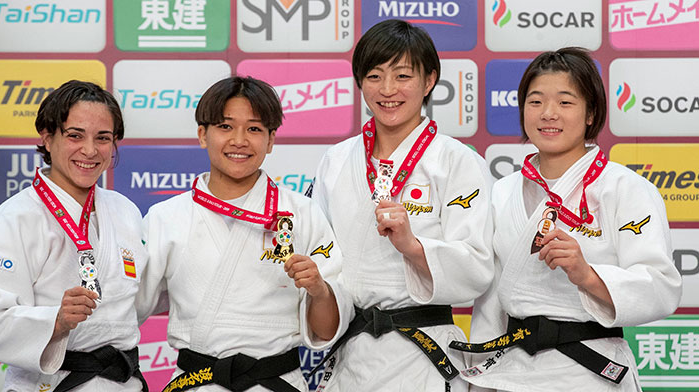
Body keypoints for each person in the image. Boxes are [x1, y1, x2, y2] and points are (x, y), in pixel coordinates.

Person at [453, 47, 682, 391]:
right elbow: (490, 302)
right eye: (535, 101)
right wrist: (480, 381)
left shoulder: (625, 188)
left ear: (591, 113)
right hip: (513, 371)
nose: (548, 114)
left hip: (589, 371)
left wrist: (588, 276)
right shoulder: (502, 193)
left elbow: (661, 286)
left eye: (565, 102)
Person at [310, 19, 494, 391]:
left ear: (429, 81)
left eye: (402, 76)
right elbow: (321, 256)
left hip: (423, 356)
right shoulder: (337, 160)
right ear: (360, 81)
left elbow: (477, 267)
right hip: (353, 354)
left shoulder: (456, 161)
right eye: (374, 76)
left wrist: (413, 247)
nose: (388, 90)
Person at [136, 76, 353, 392]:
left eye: (254, 128)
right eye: (225, 127)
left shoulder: (301, 213)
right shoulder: (166, 218)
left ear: (270, 140)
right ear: (202, 134)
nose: (239, 140)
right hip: (197, 384)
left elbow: (326, 329)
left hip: (275, 383)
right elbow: (128, 308)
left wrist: (319, 289)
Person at [0, 80, 148, 391]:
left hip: (122, 382)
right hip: (50, 384)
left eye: (102, 138)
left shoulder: (125, 210)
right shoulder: (13, 219)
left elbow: (140, 300)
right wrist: (56, 319)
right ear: (47, 138)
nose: (90, 151)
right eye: (75, 135)